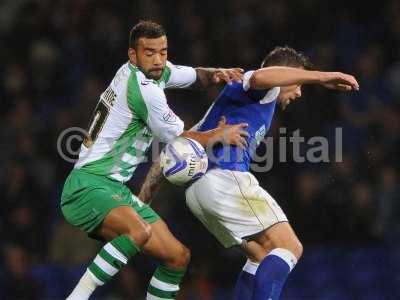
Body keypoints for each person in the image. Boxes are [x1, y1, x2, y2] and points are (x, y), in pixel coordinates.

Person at [140, 46, 359, 300]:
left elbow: (170, 151)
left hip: (197, 194)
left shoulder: (220, 112)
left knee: (261, 256)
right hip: (225, 178)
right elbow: (260, 77)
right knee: (290, 247)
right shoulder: (263, 87)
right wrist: (323, 77)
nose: (299, 91)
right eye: (297, 82)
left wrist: (141, 204)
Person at [61, 20, 248, 300]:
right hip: (88, 185)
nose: (159, 59)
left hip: (115, 189)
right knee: (139, 231)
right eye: (150, 52)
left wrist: (219, 73)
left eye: (163, 51)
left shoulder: (150, 71)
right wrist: (220, 134)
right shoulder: (144, 90)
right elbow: (181, 141)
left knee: (177, 256)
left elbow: (195, 76)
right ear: (132, 55)